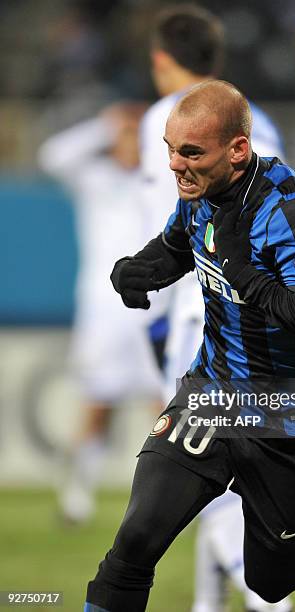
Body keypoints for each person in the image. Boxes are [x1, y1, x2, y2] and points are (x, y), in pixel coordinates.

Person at [85, 81, 295, 612]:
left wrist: (244, 273)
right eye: (170, 148)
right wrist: (139, 271)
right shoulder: (199, 193)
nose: (175, 164)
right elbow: (177, 246)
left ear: (237, 149)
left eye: (191, 152)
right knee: (134, 542)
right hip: (213, 393)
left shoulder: (294, 214)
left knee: (271, 582)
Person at [140, 6, 292, 611]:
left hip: (202, 321)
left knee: (208, 474)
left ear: (160, 60)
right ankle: (209, 605)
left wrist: (153, 320)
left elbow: (166, 234)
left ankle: (270, 605)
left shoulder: (166, 125)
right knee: (225, 468)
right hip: (265, 323)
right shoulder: (258, 129)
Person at [38, 104, 164, 523]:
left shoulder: (160, 182)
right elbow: (51, 156)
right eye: (124, 138)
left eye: (136, 138)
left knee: (164, 407)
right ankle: (77, 496)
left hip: (153, 310)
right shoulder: (96, 179)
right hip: (104, 313)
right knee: (98, 402)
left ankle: (167, 499)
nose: (130, 146)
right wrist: (103, 125)